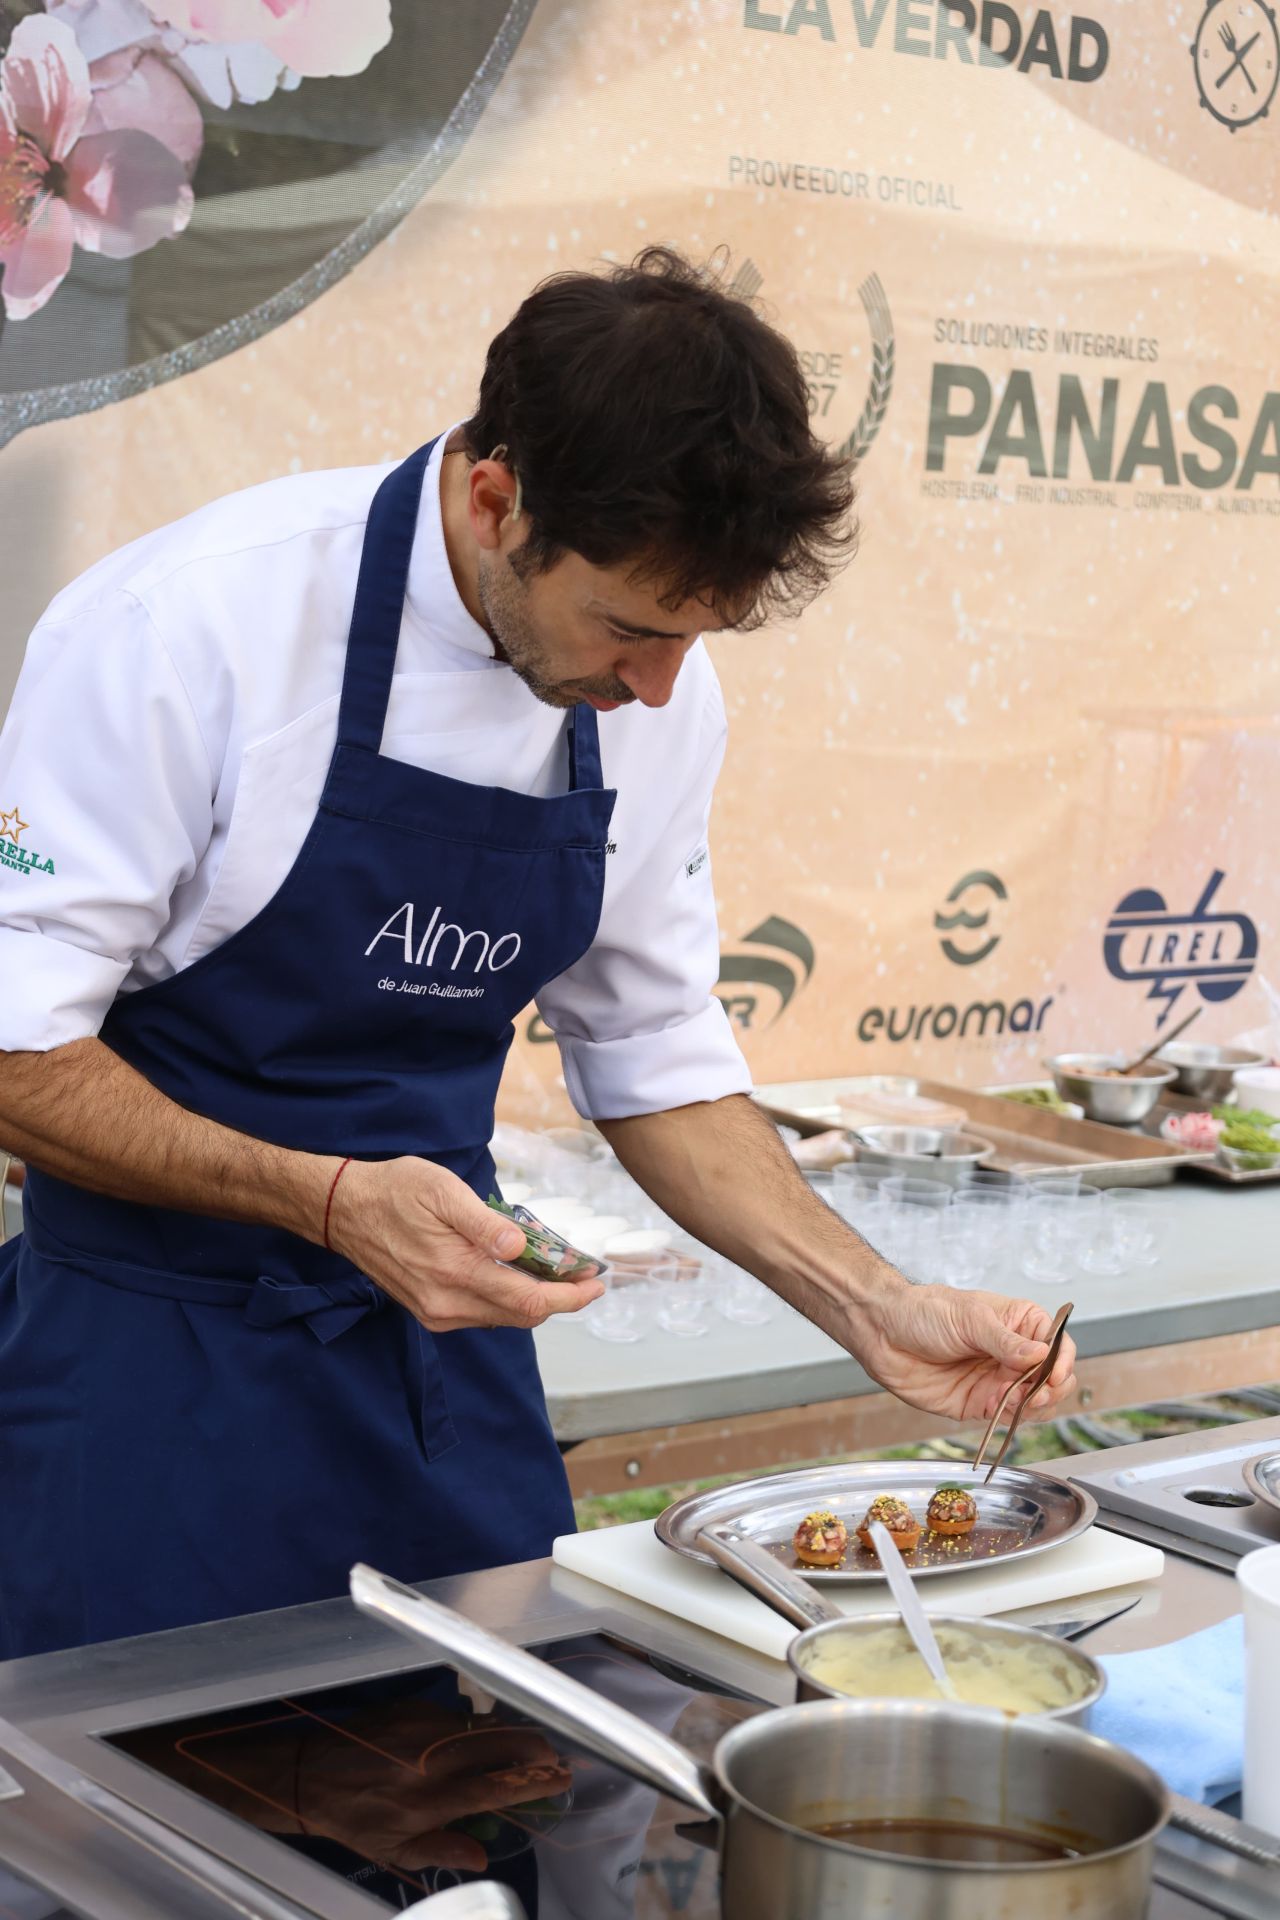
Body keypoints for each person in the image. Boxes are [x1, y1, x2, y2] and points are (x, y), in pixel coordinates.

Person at [0, 247, 1076, 1660]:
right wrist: (328, 1200)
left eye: (701, 636)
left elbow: (653, 1054)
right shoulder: (186, 629)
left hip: (446, 1378)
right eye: (630, 627)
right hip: (148, 1376)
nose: (659, 686)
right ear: (498, 500)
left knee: (495, 1809)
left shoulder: (657, 692)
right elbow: (18, 1050)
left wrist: (872, 1303)